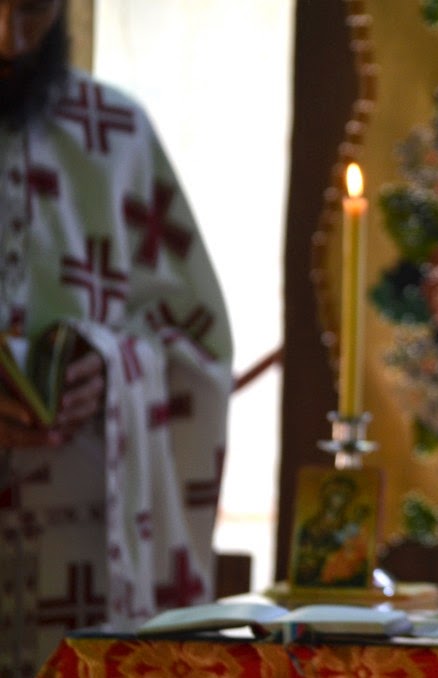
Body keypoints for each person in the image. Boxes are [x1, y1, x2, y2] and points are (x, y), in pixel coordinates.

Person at [0, 1, 233, 674]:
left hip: (81, 553)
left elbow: (199, 349)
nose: (10, 37)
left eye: (34, 6)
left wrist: (114, 369)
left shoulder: (115, 134)